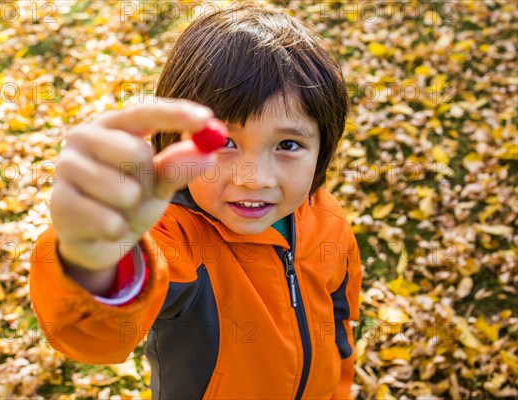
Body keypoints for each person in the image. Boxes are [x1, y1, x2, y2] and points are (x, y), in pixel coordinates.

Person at [29, 4, 362, 399]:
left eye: (288, 144)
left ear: (322, 149)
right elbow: (95, 338)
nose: (253, 179)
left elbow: (339, 320)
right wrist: (94, 258)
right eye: (225, 143)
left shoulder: (329, 220)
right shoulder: (177, 242)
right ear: (177, 140)